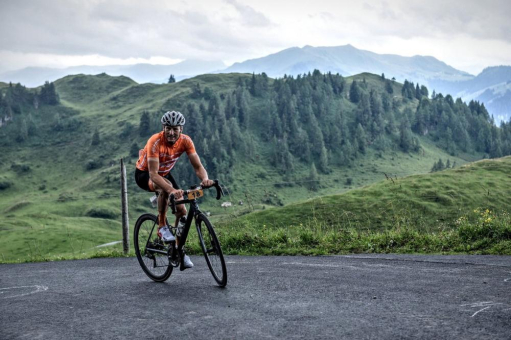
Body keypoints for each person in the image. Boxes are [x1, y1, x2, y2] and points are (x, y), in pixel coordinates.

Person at [135, 110, 214, 270]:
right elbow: (153, 174)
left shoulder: (186, 141)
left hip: (164, 174)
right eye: (168, 128)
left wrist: (205, 179)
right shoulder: (155, 141)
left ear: (181, 129)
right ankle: (162, 227)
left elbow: (198, 166)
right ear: (163, 127)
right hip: (146, 174)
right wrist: (171, 190)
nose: (171, 132)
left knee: (182, 211)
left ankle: (178, 250)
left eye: (175, 129)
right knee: (165, 189)